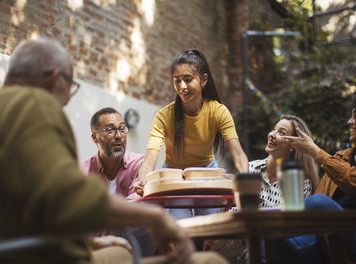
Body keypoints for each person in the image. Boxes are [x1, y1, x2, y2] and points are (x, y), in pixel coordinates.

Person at [0, 37, 228, 264]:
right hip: (40, 255)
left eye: (122, 129)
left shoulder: (10, 108)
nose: (68, 99)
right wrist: (157, 218)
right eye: (70, 85)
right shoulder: (33, 103)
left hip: (29, 247)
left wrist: (92, 243)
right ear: (54, 79)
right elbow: (70, 198)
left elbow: (34, 207)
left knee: (121, 251)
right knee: (210, 261)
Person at [281, 90, 356, 264]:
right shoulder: (341, 157)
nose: (349, 122)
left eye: (355, 117)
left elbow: (355, 180)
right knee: (274, 244)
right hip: (328, 234)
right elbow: (320, 196)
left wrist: (314, 151)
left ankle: (274, 217)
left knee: (320, 203)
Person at [210, 115, 320, 263]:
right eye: (274, 129)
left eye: (281, 132)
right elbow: (232, 210)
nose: (272, 135)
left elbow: (292, 227)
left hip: (272, 251)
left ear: (294, 145)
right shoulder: (249, 168)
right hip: (235, 245)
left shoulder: (300, 183)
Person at [136, 49, 248, 194]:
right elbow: (148, 162)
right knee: (179, 216)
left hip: (207, 172)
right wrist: (143, 182)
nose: (182, 86)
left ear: (204, 80)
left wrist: (246, 180)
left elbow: (238, 154)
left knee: (211, 214)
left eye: (188, 79)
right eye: (177, 80)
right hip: (173, 174)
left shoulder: (218, 111)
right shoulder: (163, 116)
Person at [80, 107, 144, 200]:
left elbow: (138, 200)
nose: (118, 136)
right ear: (94, 137)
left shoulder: (139, 164)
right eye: (110, 130)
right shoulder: (83, 172)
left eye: (122, 129)